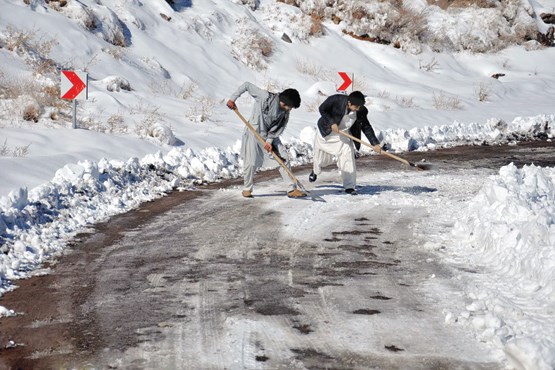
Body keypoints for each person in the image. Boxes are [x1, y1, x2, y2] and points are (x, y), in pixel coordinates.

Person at [226, 82, 305, 198]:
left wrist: (269, 141)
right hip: (253, 132)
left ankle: (292, 189)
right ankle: (247, 189)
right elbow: (246, 85)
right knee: (250, 162)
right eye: (290, 107)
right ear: (285, 102)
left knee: (283, 157)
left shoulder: (285, 113)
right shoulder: (265, 97)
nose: (290, 110)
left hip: (270, 135)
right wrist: (233, 99)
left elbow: (277, 128)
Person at [309, 91, 381, 195]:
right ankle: (315, 171)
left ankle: (349, 186)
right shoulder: (336, 99)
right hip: (326, 133)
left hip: (343, 134)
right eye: (356, 107)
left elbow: (366, 127)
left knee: (348, 155)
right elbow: (322, 109)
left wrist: (375, 143)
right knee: (322, 160)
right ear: (349, 103)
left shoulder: (361, 110)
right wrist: (331, 122)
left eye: (360, 107)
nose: (358, 109)